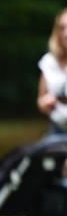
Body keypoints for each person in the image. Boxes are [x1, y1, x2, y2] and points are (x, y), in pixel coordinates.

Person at [36, 7, 67, 135]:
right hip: (56, 129)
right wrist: (45, 103)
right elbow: (40, 101)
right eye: (62, 28)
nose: (66, 33)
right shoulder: (48, 62)